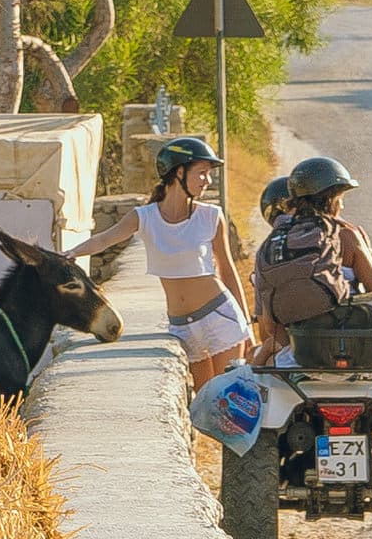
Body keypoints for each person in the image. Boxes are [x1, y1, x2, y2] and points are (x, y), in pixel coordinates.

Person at [66, 136, 253, 388]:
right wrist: (71, 254)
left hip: (219, 316)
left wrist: (248, 328)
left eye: (208, 174)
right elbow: (103, 240)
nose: (207, 181)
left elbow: (227, 271)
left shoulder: (211, 216)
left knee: (226, 399)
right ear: (178, 172)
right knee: (202, 404)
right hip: (181, 326)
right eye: (202, 173)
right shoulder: (144, 217)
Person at [251, 156, 372, 367]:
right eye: (340, 197)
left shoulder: (271, 245)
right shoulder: (344, 234)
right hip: (361, 353)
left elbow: (268, 326)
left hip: (300, 357)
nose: (342, 204)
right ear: (331, 200)